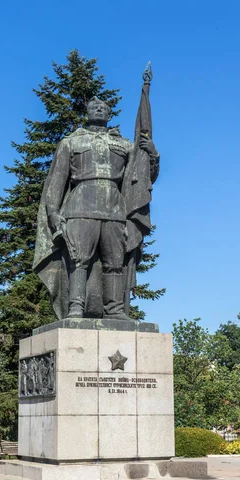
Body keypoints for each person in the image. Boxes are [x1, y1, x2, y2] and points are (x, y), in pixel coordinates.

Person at [33, 96, 159, 320]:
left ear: (109, 115)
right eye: (93, 106)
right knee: (78, 260)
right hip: (80, 207)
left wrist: (152, 154)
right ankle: (75, 308)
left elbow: (141, 179)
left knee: (114, 262)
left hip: (114, 210)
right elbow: (57, 181)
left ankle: (114, 309)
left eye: (103, 107)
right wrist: (53, 212)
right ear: (87, 113)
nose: (98, 108)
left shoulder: (124, 145)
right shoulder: (71, 142)